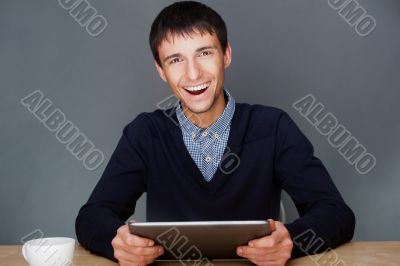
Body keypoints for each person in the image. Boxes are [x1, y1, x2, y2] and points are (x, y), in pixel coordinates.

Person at [75, 1, 355, 265]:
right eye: (175, 60)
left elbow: (336, 213)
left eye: (204, 53)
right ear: (161, 71)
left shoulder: (273, 127)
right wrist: (117, 242)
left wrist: (291, 241)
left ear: (226, 55)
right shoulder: (145, 134)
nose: (193, 74)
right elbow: (91, 217)